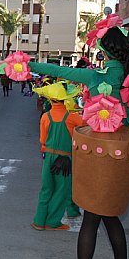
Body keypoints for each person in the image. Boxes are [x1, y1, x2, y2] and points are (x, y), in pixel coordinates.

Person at [21, 19, 129, 259]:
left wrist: (28, 65)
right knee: (111, 212)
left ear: (104, 50)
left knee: (92, 215)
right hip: (127, 150)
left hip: (98, 150)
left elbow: (57, 69)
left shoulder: (97, 77)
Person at [30, 82, 84, 231]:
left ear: (50, 99)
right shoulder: (72, 118)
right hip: (65, 158)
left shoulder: (45, 117)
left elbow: (42, 140)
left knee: (46, 189)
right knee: (61, 190)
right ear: (64, 99)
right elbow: (85, 126)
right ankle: (53, 221)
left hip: (48, 157)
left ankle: (39, 221)